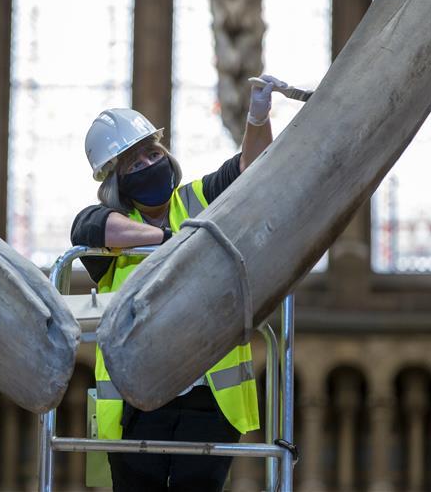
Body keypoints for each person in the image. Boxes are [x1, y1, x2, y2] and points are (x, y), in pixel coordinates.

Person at [71, 74, 287, 492]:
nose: (150, 165)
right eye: (135, 163)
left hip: (208, 397)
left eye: (153, 153)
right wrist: (169, 241)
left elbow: (251, 169)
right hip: (138, 396)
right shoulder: (115, 226)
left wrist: (258, 118)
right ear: (118, 181)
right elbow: (87, 227)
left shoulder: (200, 198)